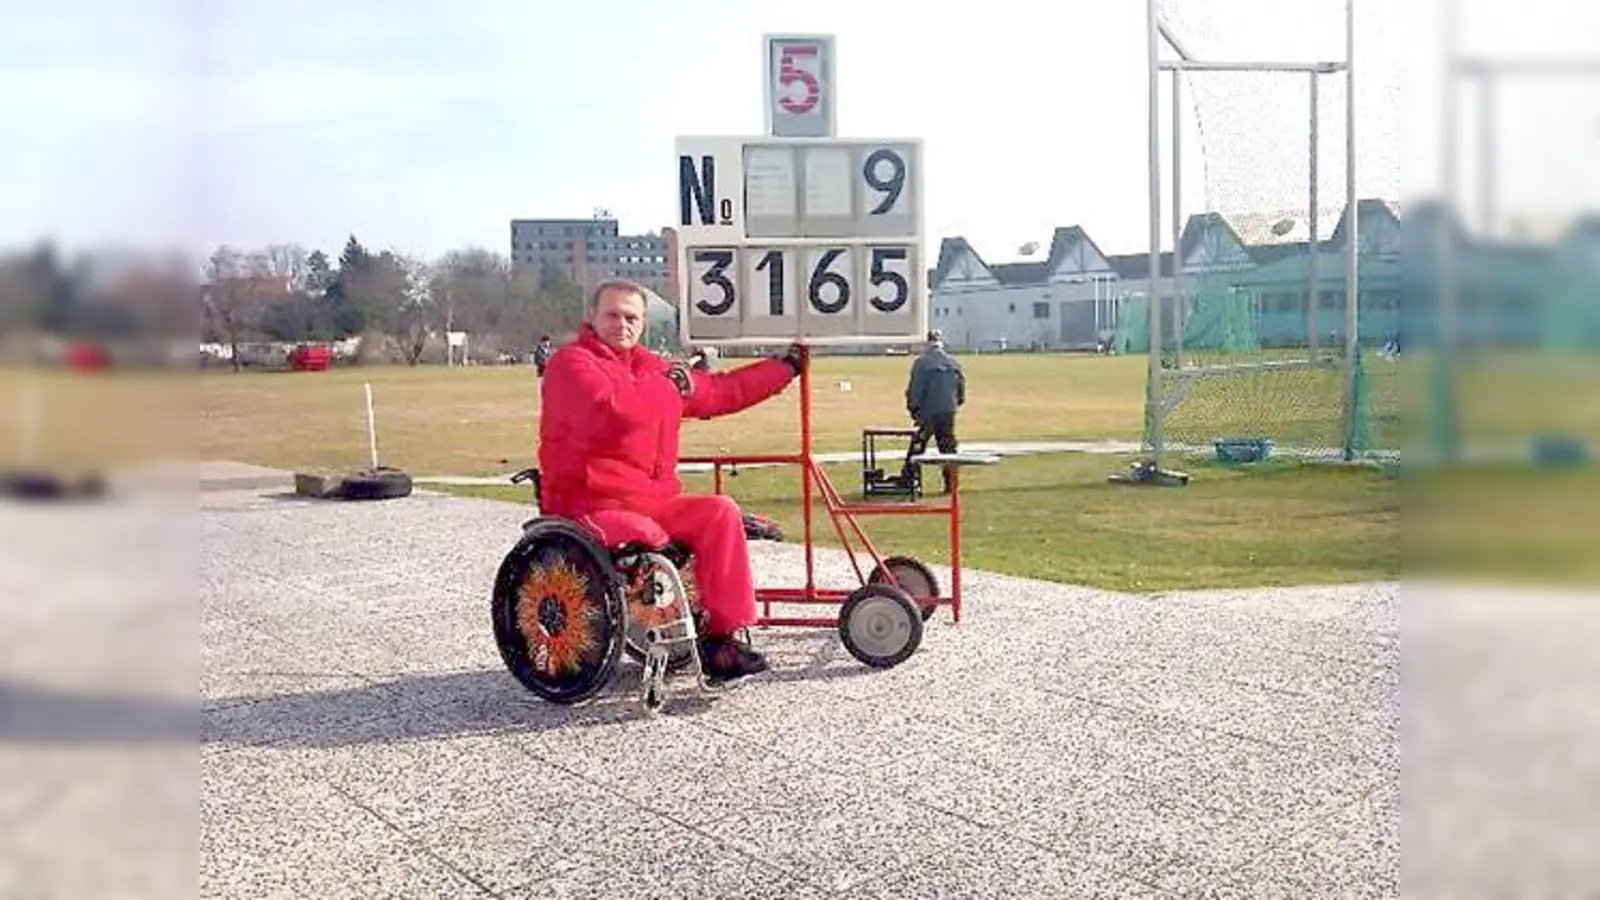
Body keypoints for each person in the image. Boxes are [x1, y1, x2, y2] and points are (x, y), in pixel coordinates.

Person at [538, 279, 802, 683]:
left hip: (650, 499)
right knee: (646, 532)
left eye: (631, 317)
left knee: (719, 512)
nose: (622, 324)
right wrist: (669, 385)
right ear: (591, 317)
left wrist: (784, 368)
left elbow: (720, 393)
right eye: (612, 315)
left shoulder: (652, 369)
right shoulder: (570, 364)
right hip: (589, 504)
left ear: (643, 324)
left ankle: (721, 641)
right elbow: (614, 412)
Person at [903, 329, 965, 494]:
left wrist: (914, 409)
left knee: (917, 447)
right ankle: (951, 483)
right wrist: (954, 404)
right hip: (948, 411)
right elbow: (961, 391)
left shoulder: (921, 363)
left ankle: (909, 481)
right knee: (948, 449)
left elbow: (916, 389)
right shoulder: (953, 363)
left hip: (928, 411)